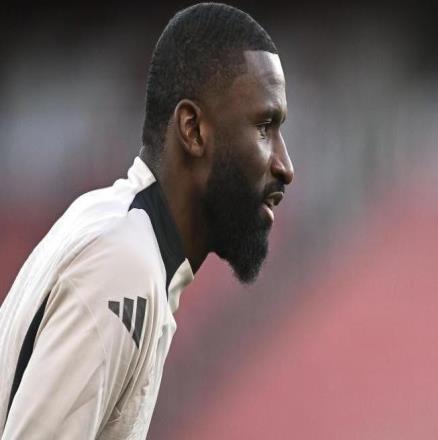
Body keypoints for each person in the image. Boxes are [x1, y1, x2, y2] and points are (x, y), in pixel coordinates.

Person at [0, 2, 294, 439]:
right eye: (264, 127)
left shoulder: (116, 229)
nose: (285, 165)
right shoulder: (123, 264)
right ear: (193, 130)